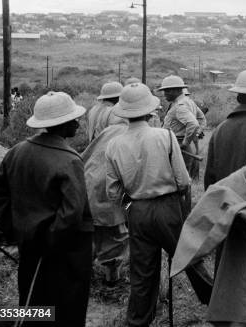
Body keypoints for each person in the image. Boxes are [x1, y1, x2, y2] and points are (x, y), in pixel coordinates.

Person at [0, 91, 93, 327]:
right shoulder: (70, 160)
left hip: (29, 245)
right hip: (67, 251)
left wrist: (15, 230)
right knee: (68, 306)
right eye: (73, 119)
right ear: (61, 124)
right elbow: (73, 212)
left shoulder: (16, 152)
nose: (78, 123)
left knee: (34, 302)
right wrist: (50, 240)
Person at [105, 82, 190, 327]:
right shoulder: (165, 135)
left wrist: (132, 204)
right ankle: (215, 301)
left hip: (137, 211)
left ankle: (138, 321)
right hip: (168, 208)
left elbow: (113, 192)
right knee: (190, 259)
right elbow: (183, 181)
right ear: (149, 111)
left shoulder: (113, 145)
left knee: (142, 273)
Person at [82, 119, 129, 285]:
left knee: (98, 233)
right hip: (109, 189)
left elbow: (85, 155)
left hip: (90, 181)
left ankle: (87, 272)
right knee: (115, 235)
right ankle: (111, 279)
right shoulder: (133, 135)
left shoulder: (108, 130)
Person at [157, 75, 206, 180]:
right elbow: (201, 119)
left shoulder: (180, 106)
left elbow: (193, 123)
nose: (164, 94)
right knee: (185, 178)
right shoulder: (189, 102)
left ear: (176, 90)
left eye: (167, 91)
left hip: (178, 144)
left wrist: (185, 143)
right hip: (180, 144)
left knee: (178, 179)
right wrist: (196, 134)